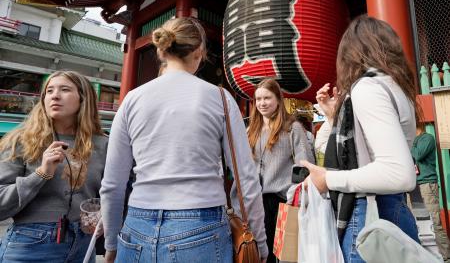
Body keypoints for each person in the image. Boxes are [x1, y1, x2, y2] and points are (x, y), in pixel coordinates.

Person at [100, 17, 268, 263]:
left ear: (161, 50)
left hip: (137, 226)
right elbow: (246, 179)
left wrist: (112, 243)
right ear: (199, 52)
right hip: (201, 224)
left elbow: (112, 184)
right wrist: (259, 244)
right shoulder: (220, 98)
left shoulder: (132, 100)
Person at [301, 15, 420, 263]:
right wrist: (335, 117)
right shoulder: (396, 87)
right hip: (394, 210)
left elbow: (399, 172)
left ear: (351, 53)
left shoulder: (368, 87)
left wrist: (328, 179)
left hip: (369, 215)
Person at [0, 71, 108, 263]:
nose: (55, 95)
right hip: (30, 245)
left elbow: (116, 193)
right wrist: (41, 174)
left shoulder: (104, 144)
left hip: (84, 245)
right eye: (49, 91)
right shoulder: (20, 140)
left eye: (64, 89)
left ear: (84, 98)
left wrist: (105, 219)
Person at [247, 78, 314, 263]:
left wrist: (296, 197)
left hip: (283, 201)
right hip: (256, 202)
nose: (262, 103)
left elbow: (304, 165)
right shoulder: (251, 131)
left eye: (267, 98)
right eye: (258, 99)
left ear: (278, 98)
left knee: (284, 256)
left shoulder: (292, 128)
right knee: (260, 255)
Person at [412, 123, 450, 262]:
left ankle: (446, 256)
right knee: (418, 224)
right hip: (414, 187)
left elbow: (418, 155)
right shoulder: (414, 141)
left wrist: (410, 143)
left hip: (427, 185)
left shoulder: (427, 138)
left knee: (434, 222)